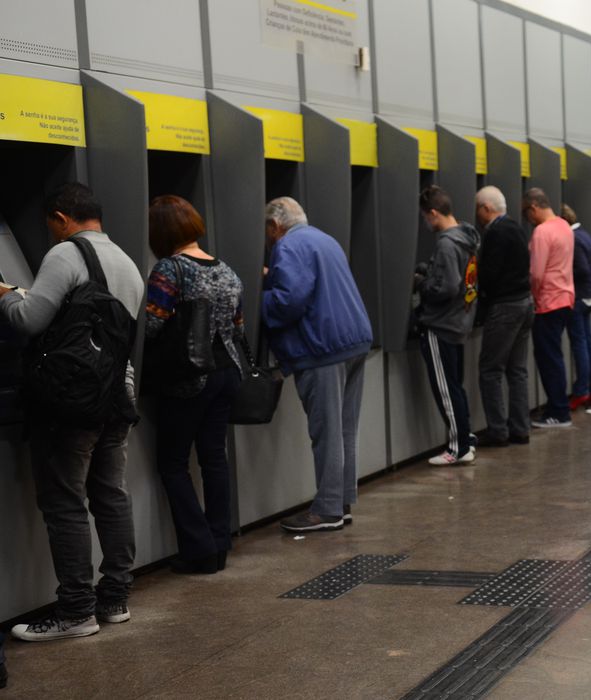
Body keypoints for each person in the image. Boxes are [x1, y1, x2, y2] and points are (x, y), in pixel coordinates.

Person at [0, 183, 144, 641]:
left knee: (65, 503)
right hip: (116, 396)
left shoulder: (65, 254)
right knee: (111, 496)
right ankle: (114, 599)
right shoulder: (126, 260)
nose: (50, 234)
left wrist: (5, 293)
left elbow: (28, 320)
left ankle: (76, 611)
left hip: (72, 402)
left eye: (50, 226)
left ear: (61, 218)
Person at [143, 195, 244, 574]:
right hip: (226, 372)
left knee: (172, 463)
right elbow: (238, 327)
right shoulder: (227, 270)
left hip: (189, 377)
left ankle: (199, 550)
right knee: (214, 458)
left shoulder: (170, 269)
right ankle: (219, 544)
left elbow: (152, 324)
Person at [263, 197, 373, 532]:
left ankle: (326, 510)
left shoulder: (286, 246)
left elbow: (289, 301)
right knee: (344, 430)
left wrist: (257, 296)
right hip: (354, 341)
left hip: (322, 347)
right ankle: (341, 502)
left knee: (326, 432)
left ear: (274, 225)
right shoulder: (325, 239)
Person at [417, 185, 481, 461]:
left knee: (445, 388)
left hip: (440, 324)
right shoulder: (467, 238)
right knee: (455, 385)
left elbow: (447, 286)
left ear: (433, 213)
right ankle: (465, 438)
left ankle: (458, 448)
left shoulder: (446, 243)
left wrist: (422, 283)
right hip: (460, 320)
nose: (425, 222)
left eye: (425, 216)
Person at [473, 186, 532, 447]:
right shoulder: (517, 227)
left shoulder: (495, 232)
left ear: (486, 208)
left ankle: (498, 431)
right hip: (525, 303)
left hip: (505, 307)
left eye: (478, 209)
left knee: (490, 370)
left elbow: (489, 275)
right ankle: (520, 428)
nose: (477, 215)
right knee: (517, 370)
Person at [523, 188, 575, 428]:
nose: (527, 219)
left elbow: (536, 274)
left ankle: (558, 411)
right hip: (565, 299)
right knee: (555, 356)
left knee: (548, 359)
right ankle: (560, 407)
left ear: (534, 207)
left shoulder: (542, 232)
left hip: (547, 302)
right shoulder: (564, 226)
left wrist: (533, 297)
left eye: (526, 213)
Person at [561, 204, 591, 412]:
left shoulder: (573, 238)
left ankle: (581, 391)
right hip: (589, 295)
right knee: (589, 343)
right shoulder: (584, 234)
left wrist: (563, 274)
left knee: (580, 345)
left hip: (578, 297)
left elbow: (582, 269)